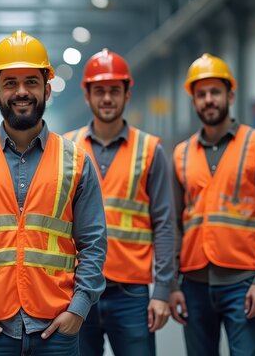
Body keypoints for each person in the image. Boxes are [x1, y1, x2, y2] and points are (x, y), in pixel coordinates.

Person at [0, 30, 108, 356]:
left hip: (55, 331)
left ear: (46, 87)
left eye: (31, 81)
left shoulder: (77, 161)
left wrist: (78, 310)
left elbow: (94, 245)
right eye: (10, 83)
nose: (22, 91)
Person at [169, 53, 255, 356]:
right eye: (201, 94)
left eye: (215, 92)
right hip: (193, 283)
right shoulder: (181, 154)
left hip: (242, 283)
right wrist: (172, 284)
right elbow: (174, 224)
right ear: (193, 100)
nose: (209, 100)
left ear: (230, 94)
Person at [64, 48, 174, 356]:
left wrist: (162, 290)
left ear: (127, 94)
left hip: (131, 294)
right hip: (76, 291)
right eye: (99, 91)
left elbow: (164, 224)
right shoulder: (66, 149)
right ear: (87, 95)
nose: (107, 98)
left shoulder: (150, 150)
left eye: (114, 90)